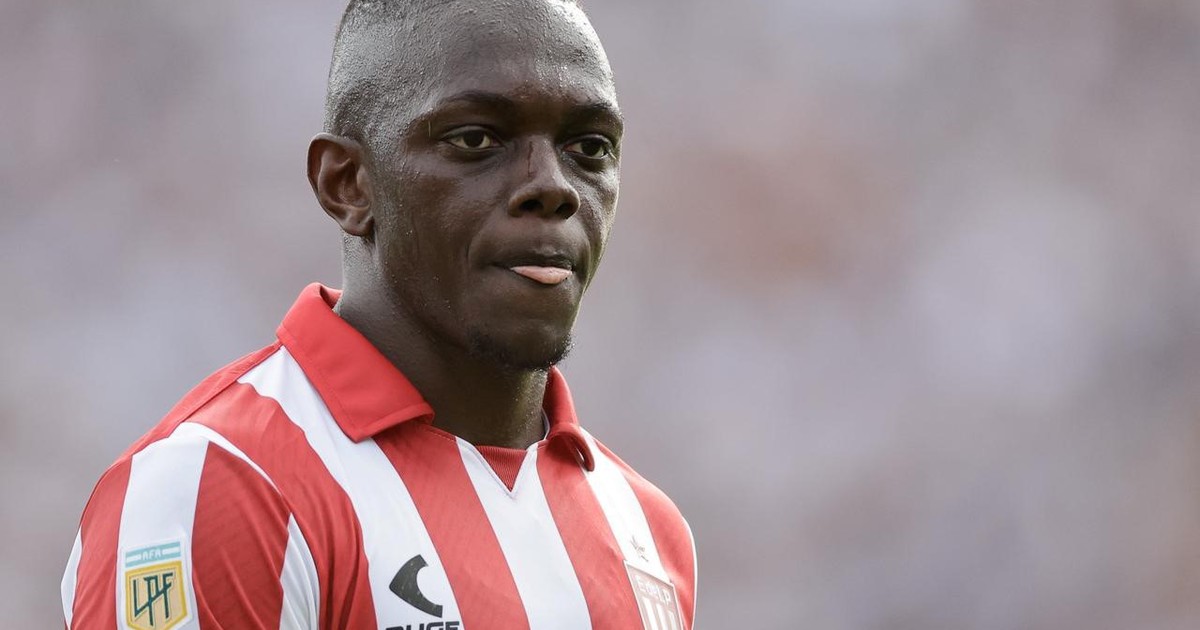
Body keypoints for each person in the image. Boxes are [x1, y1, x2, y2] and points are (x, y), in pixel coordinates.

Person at [60, 0, 697, 628]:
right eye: (476, 139)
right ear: (347, 184)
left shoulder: (647, 531)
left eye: (590, 146)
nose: (552, 186)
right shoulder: (222, 483)